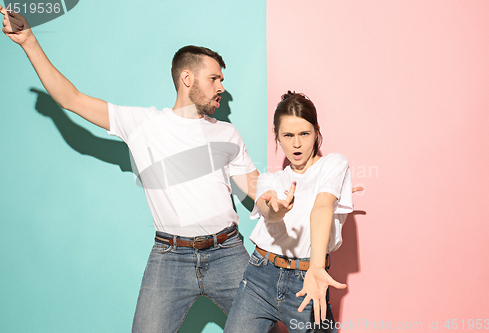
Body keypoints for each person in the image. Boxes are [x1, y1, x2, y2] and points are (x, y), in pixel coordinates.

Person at [1, 7, 264, 333]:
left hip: (227, 253)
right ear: (187, 78)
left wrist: (286, 195)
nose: (221, 87)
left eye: (222, 80)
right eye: (214, 78)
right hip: (171, 258)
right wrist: (28, 41)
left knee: (265, 327)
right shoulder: (143, 124)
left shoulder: (227, 133)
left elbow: (252, 186)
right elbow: (71, 99)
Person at [224, 91, 354, 333]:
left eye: (304, 134)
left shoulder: (334, 164)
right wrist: (276, 210)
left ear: (317, 132)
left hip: (308, 278)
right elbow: (266, 209)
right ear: (278, 137)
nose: (296, 143)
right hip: (259, 277)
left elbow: (322, 207)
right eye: (288, 135)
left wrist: (316, 268)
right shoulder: (271, 179)